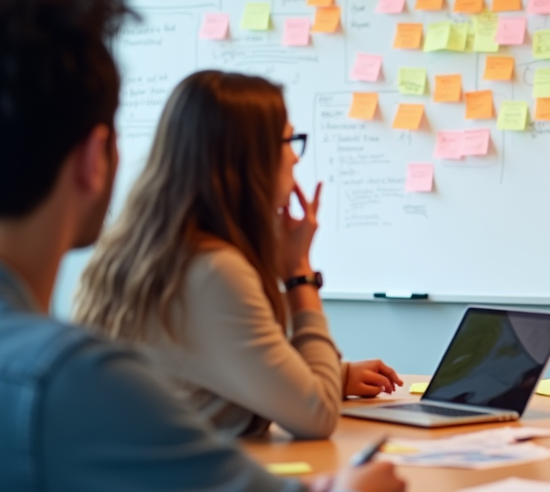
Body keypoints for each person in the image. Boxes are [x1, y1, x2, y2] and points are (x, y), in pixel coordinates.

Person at [0, 0, 407, 492]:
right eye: (288, 140)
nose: (295, 155)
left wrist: (328, 372)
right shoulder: (68, 381)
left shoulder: (128, 269)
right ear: (96, 158)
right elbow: (312, 440)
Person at [75, 70, 402, 440]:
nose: (295, 159)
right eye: (287, 141)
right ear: (248, 159)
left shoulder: (136, 250)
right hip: (192, 487)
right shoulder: (214, 271)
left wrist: (336, 375)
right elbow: (318, 416)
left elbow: (208, 365)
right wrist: (300, 274)